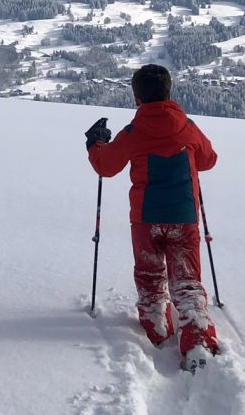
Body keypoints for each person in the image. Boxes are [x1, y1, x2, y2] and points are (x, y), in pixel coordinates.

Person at [85, 64, 219, 371]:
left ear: (136, 97)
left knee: (150, 276)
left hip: (145, 219)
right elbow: (208, 160)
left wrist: (95, 143)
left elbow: (106, 166)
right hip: (184, 217)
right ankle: (197, 340)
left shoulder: (133, 132)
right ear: (169, 91)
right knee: (186, 281)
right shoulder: (187, 127)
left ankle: (156, 328)